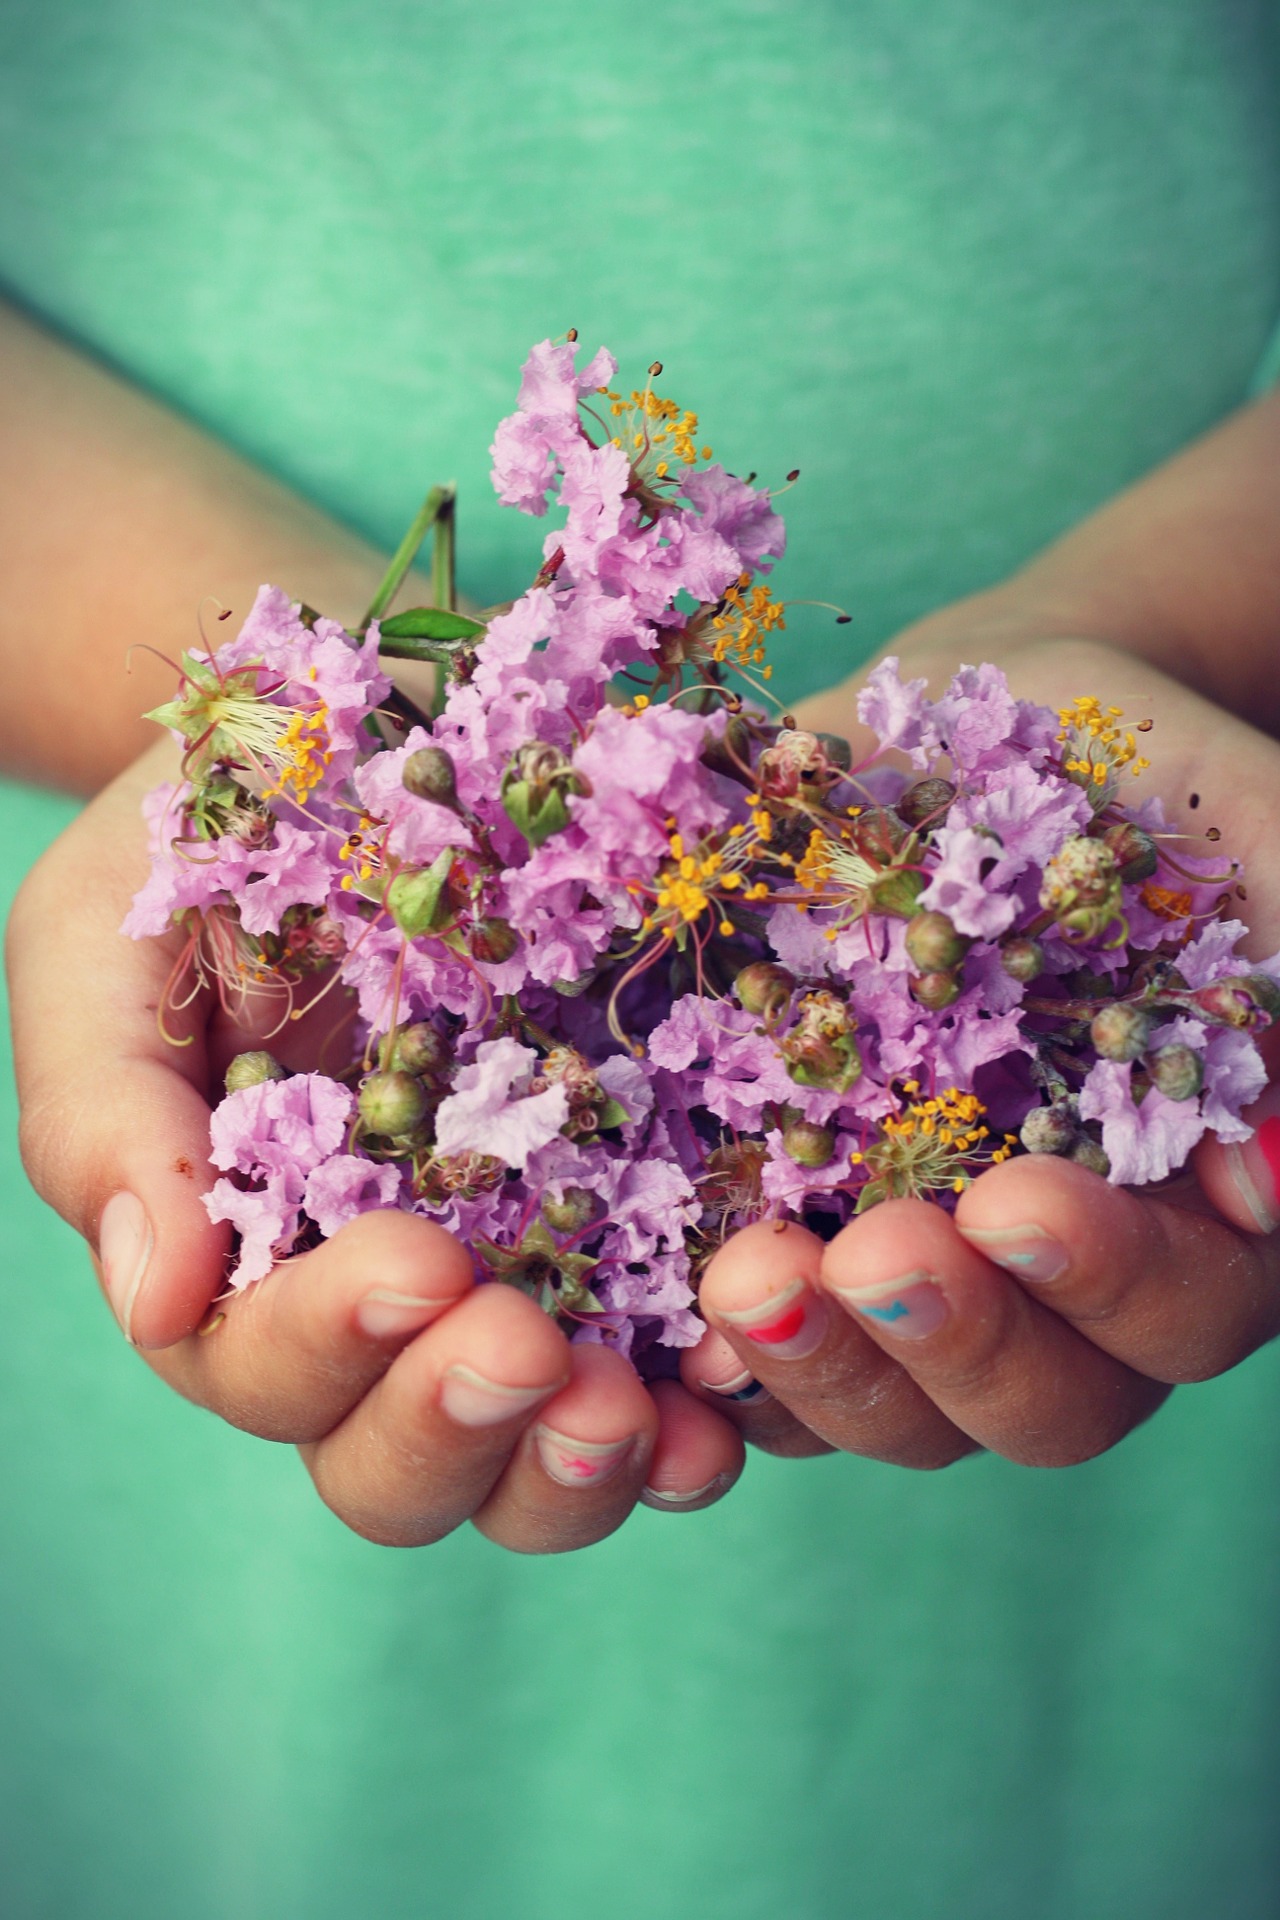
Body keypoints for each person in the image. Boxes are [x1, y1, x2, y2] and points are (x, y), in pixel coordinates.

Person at [2, 4, 1278, 1913]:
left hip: (1149, 1530)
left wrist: (1156, 626)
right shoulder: (343, 917)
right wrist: (305, 747)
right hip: (217, 1526)